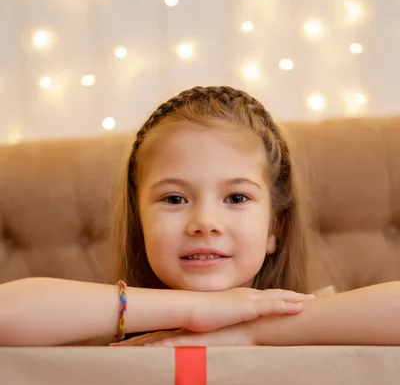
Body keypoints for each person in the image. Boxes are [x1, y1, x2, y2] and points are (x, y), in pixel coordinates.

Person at [0, 86, 399, 347]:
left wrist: (246, 334)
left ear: (274, 227)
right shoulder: (108, 328)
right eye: (174, 199)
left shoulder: (316, 318)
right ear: (141, 224)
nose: (204, 222)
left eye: (236, 197)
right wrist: (191, 311)